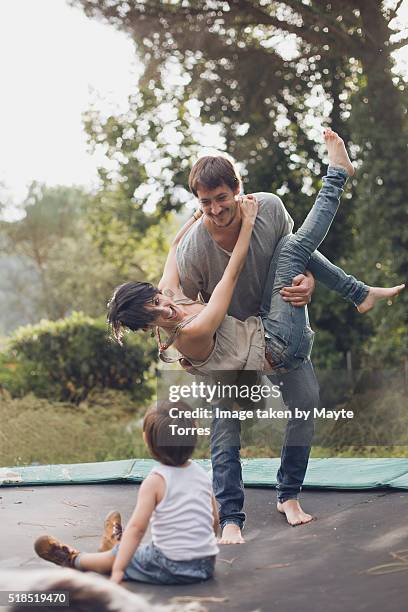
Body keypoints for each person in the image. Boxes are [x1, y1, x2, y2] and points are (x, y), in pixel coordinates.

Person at [107, 130, 404, 541]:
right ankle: (231, 517)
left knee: (306, 403)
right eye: (204, 204)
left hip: (273, 325)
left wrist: (308, 283)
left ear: (237, 190)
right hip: (243, 348)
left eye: (219, 199)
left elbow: (298, 251)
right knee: (225, 425)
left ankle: (289, 494)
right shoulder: (194, 272)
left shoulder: (266, 209)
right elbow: (215, 293)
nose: (213, 210)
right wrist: (188, 353)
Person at [34, 402, 219, 585]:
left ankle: (74, 559)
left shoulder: (156, 481)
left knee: (118, 556)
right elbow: (214, 519)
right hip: (205, 565)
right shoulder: (201, 475)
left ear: (146, 439)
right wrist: (199, 548)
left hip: (169, 567)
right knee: (145, 550)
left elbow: (136, 530)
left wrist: (118, 569)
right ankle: (112, 545)